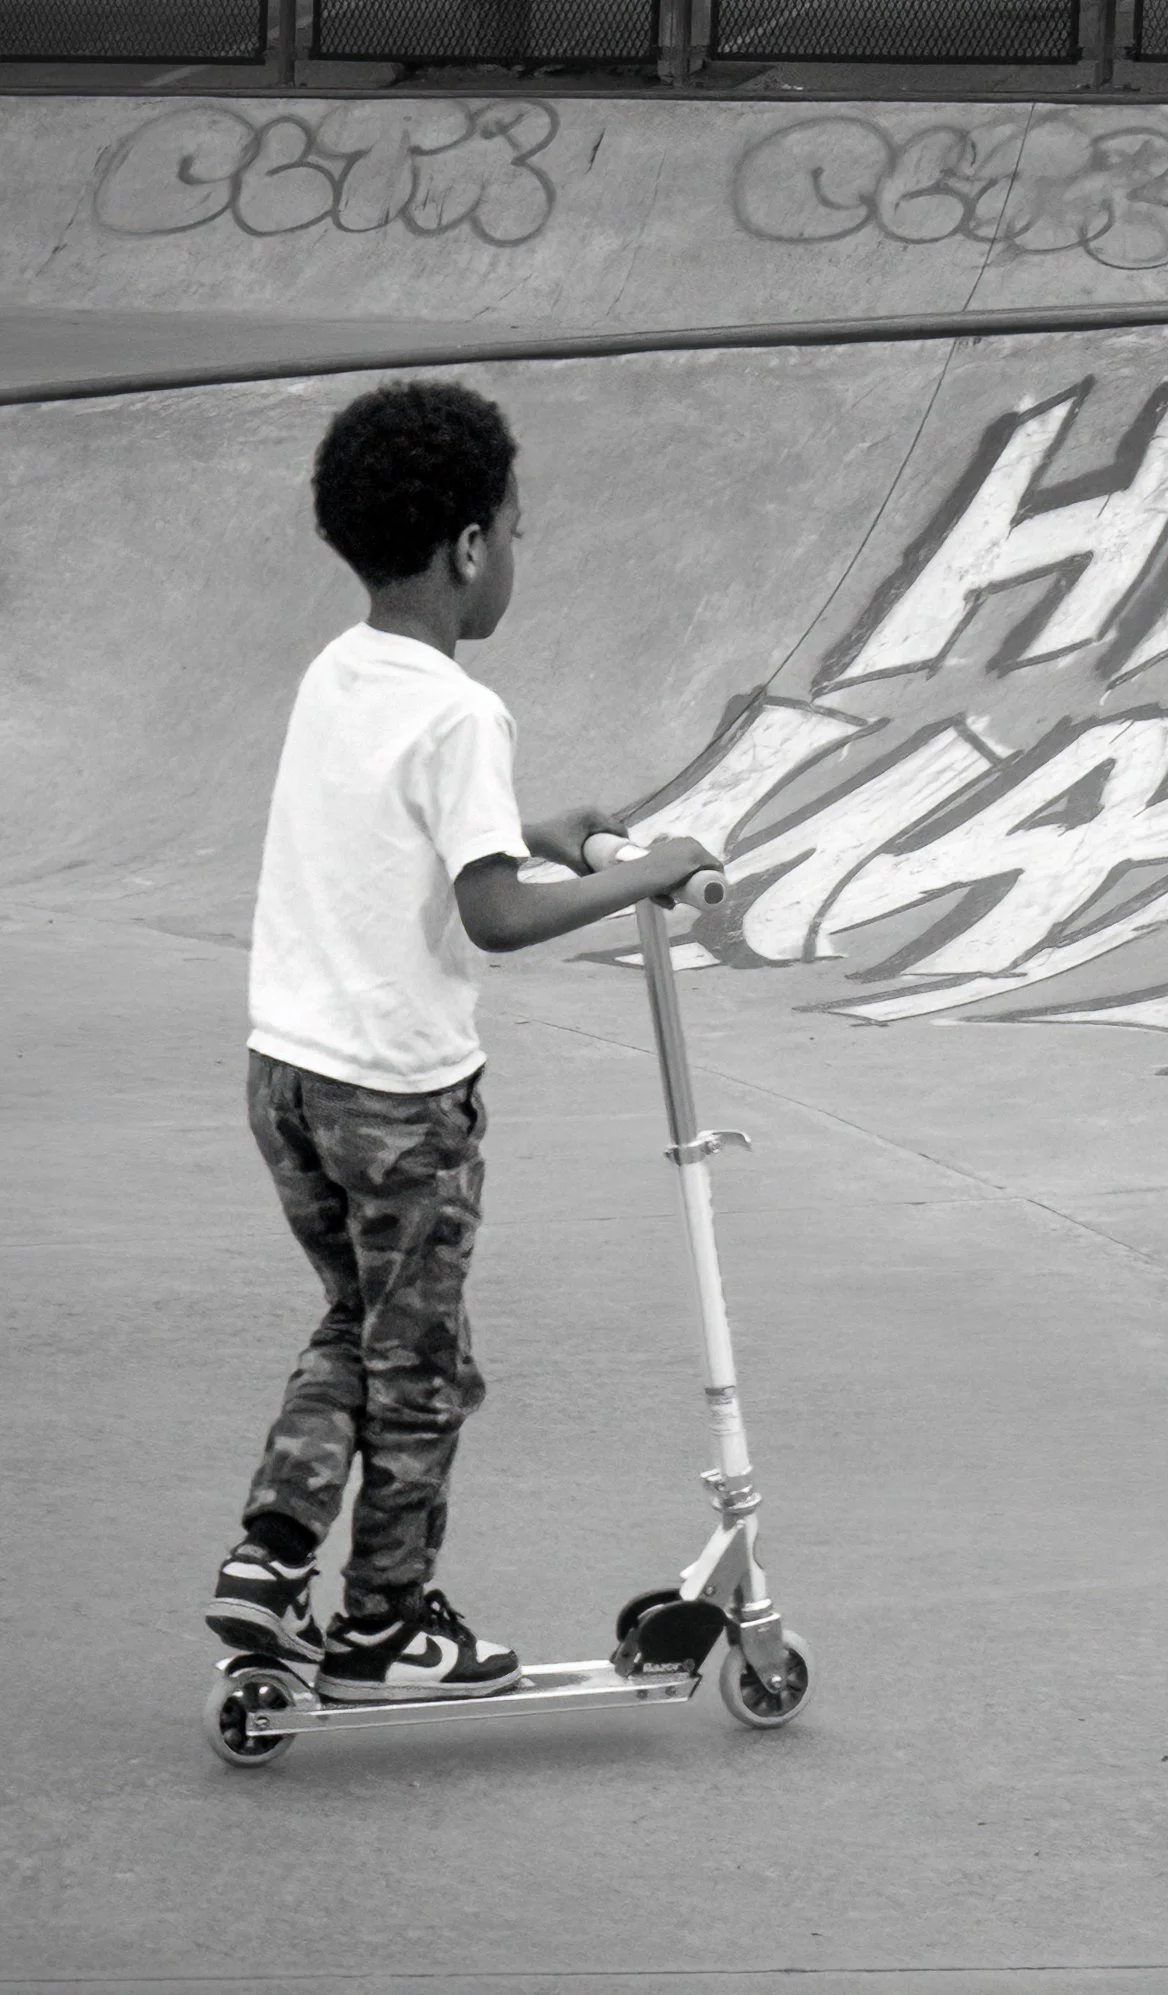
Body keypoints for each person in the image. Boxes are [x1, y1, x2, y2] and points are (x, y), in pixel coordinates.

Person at [203, 380, 719, 1703]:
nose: (516, 555)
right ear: (470, 547)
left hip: (288, 1074)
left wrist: (534, 828)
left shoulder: (339, 670)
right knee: (423, 1367)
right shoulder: (460, 708)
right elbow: (494, 916)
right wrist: (647, 869)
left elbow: (408, 833)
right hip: (399, 1104)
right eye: (516, 530)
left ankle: (272, 1552)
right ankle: (385, 1624)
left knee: (360, 1321)